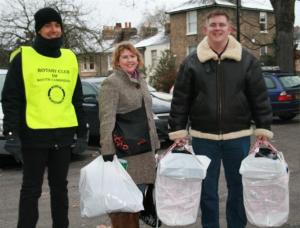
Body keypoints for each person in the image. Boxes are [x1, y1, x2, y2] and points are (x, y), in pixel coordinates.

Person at [168, 11, 273, 228]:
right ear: (206, 29)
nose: (217, 28)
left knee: (239, 188)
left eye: (222, 25)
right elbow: (180, 100)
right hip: (203, 137)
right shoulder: (191, 62)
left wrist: (263, 129)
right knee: (207, 191)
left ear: (229, 29)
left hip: (239, 137)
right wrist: (178, 131)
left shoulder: (247, 61)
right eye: (213, 25)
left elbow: (259, 98)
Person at [1, 7, 88, 228]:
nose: (53, 30)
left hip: (64, 133)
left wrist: (82, 132)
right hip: (34, 134)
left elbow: (77, 98)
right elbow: (11, 97)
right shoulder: (23, 57)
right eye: (48, 25)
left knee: (60, 188)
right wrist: (11, 133)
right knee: (31, 189)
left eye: (57, 25)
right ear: (39, 30)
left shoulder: (69, 58)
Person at [98, 41, 160, 228]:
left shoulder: (140, 81)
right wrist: (107, 150)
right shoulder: (112, 83)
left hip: (145, 150)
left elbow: (148, 115)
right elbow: (106, 118)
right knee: (123, 204)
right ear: (117, 61)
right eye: (125, 57)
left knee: (137, 201)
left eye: (132, 56)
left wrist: (155, 143)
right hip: (126, 152)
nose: (130, 60)